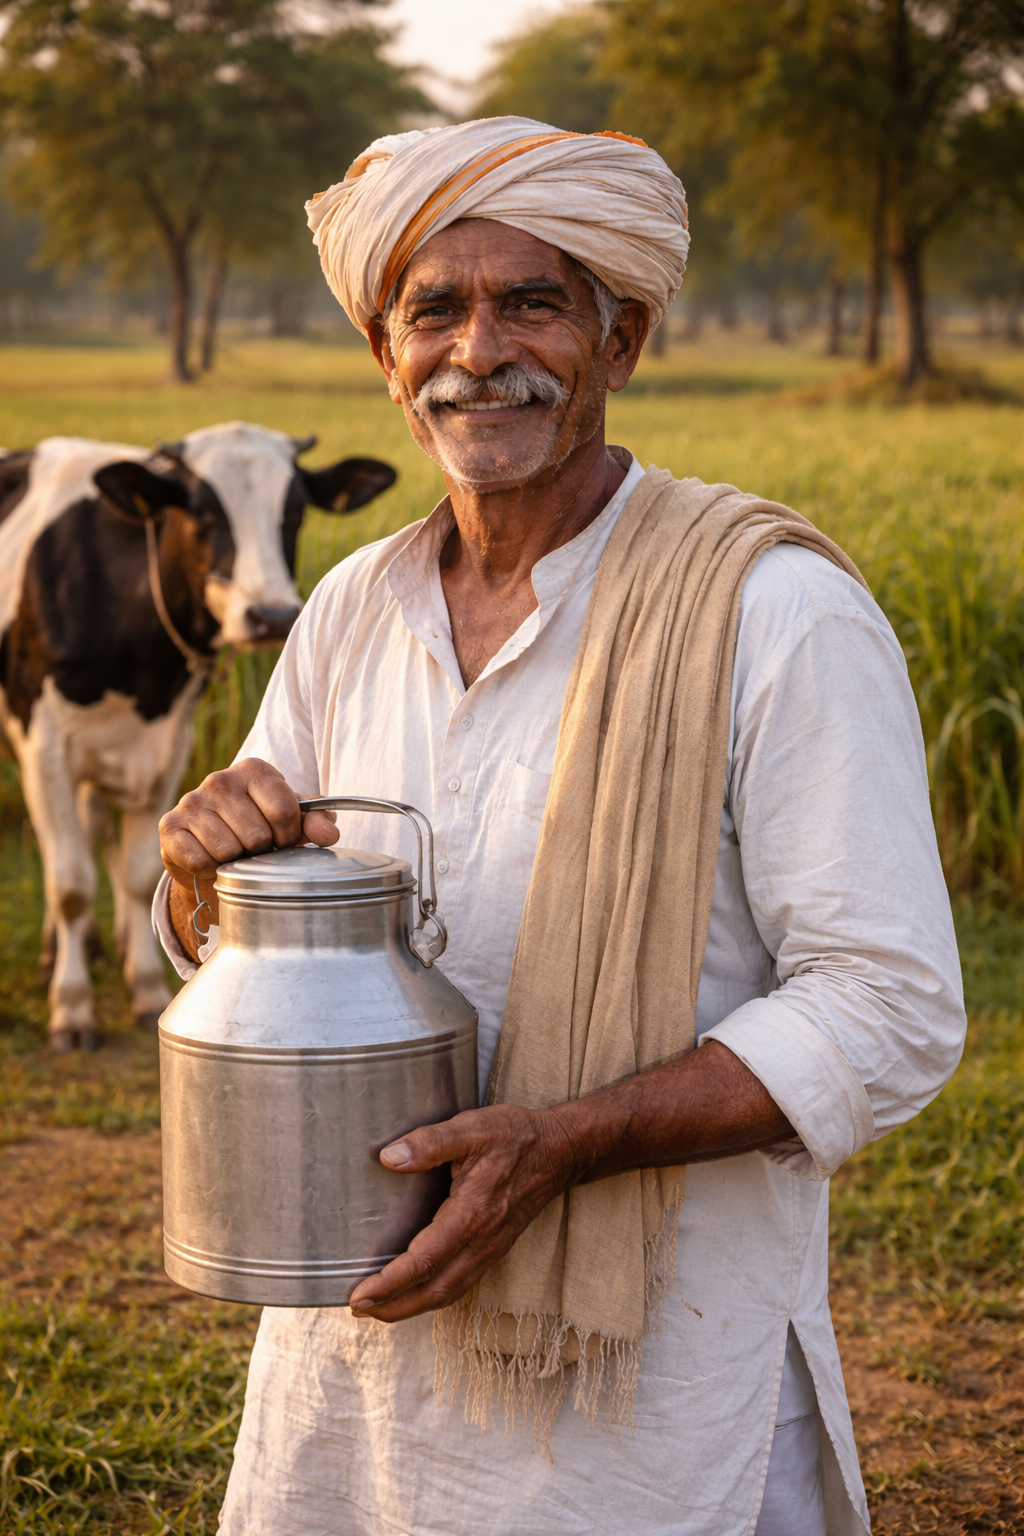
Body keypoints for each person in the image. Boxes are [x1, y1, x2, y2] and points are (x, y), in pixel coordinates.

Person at [154, 117, 966, 1536]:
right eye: (435, 311)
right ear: (386, 360)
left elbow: (891, 1009)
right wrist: (196, 874)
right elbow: (236, 935)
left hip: (653, 1371)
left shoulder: (772, 613)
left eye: (532, 301)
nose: (481, 350)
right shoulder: (351, 611)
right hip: (362, 1341)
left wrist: (569, 1139)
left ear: (622, 339)